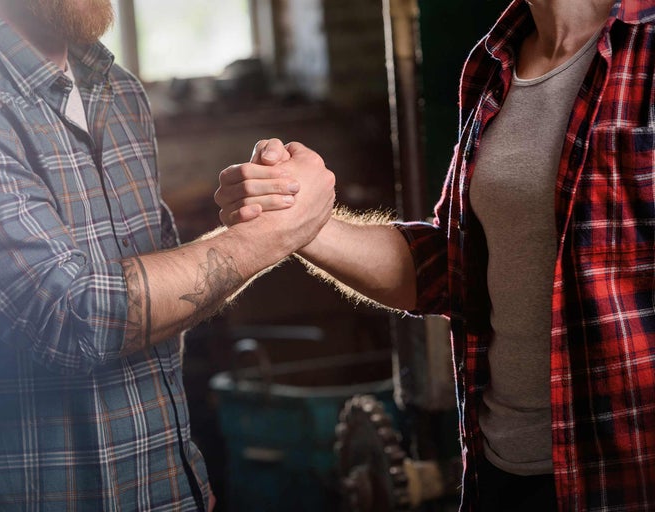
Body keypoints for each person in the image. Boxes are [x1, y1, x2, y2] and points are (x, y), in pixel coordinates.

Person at [0, 0, 336, 510]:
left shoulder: (116, 89)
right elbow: (72, 317)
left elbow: (157, 310)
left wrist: (179, 472)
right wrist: (268, 238)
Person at [215, 0, 655, 510]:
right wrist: (297, 220)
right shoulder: (495, 61)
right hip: (502, 468)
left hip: (625, 477)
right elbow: (454, 268)